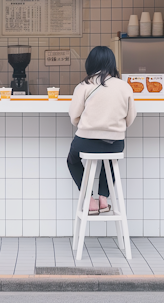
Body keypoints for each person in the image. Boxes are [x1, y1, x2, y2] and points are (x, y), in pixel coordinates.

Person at [68, 46, 137, 215]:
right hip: (115, 143)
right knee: (111, 161)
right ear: (112, 63)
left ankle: (89, 200)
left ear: (90, 64)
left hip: (85, 142)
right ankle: (104, 198)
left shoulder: (84, 86)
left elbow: (74, 117)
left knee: (72, 161)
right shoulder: (124, 86)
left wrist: (88, 126)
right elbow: (130, 117)